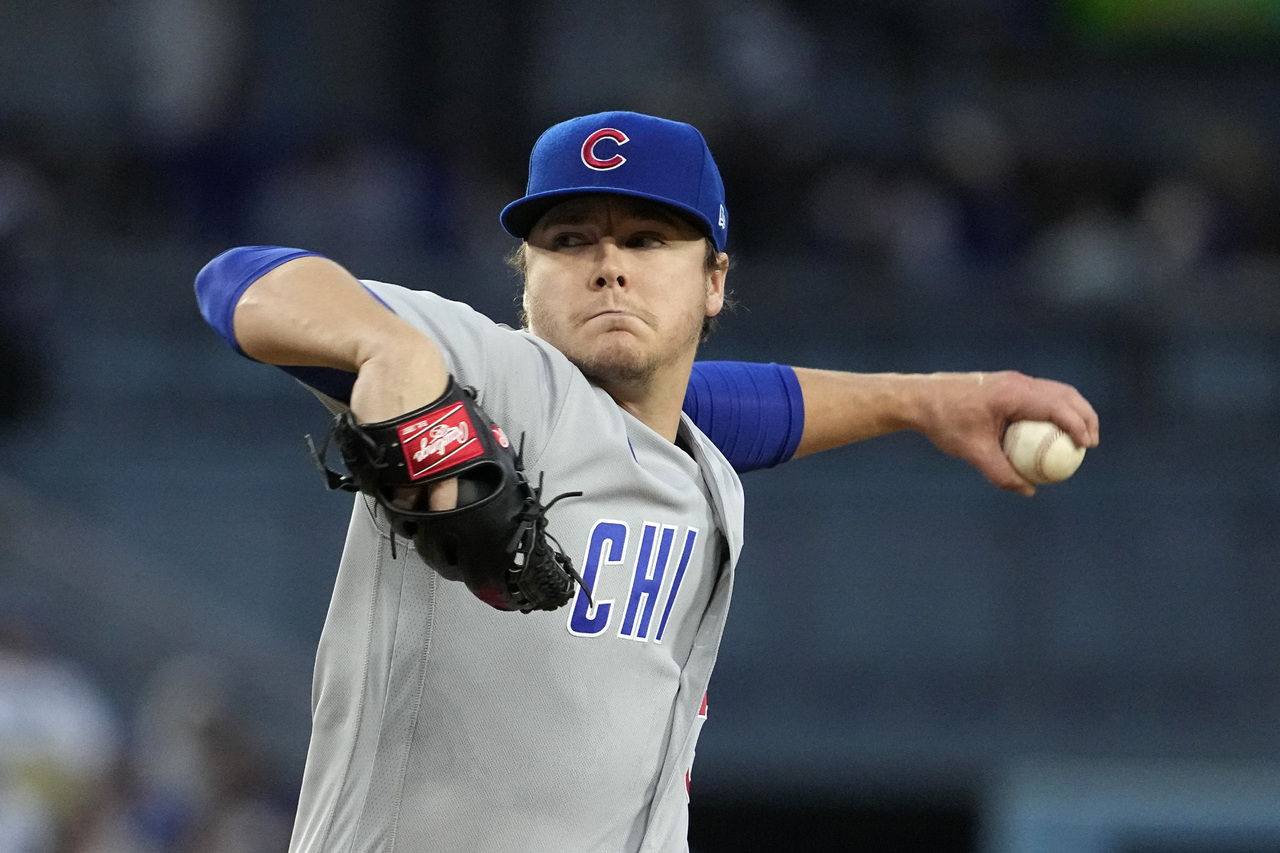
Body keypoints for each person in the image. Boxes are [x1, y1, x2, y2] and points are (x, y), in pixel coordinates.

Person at [195, 110, 1098, 853]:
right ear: (527, 278)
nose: (608, 264)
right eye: (569, 240)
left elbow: (737, 408)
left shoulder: (686, 446)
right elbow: (239, 279)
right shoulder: (493, 379)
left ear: (714, 280)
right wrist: (384, 346)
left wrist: (929, 400)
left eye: (648, 237)